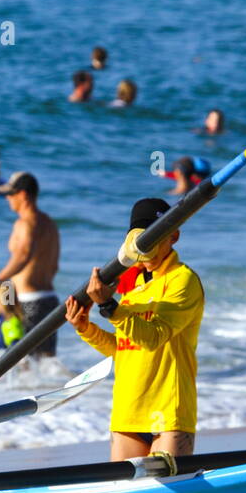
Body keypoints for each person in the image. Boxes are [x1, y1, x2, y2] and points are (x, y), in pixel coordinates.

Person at [66, 197, 204, 461]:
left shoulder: (183, 280)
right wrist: (85, 327)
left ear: (173, 235)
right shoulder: (129, 282)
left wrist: (109, 306)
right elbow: (124, 348)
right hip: (128, 410)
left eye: (155, 234)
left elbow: (154, 337)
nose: (147, 244)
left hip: (168, 410)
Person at [0, 172, 61, 359]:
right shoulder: (49, 224)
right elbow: (54, 266)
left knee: (21, 363)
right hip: (49, 300)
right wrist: (6, 291)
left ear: (23, 195)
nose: (7, 198)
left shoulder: (23, 223)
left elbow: (22, 256)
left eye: (10, 194)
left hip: (28, 301)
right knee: (45, 362)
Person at [0, 282, 24, 360]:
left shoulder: (11, 322)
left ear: (1, 303)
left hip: (4, 361)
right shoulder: (0, 316)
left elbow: (16, 344)